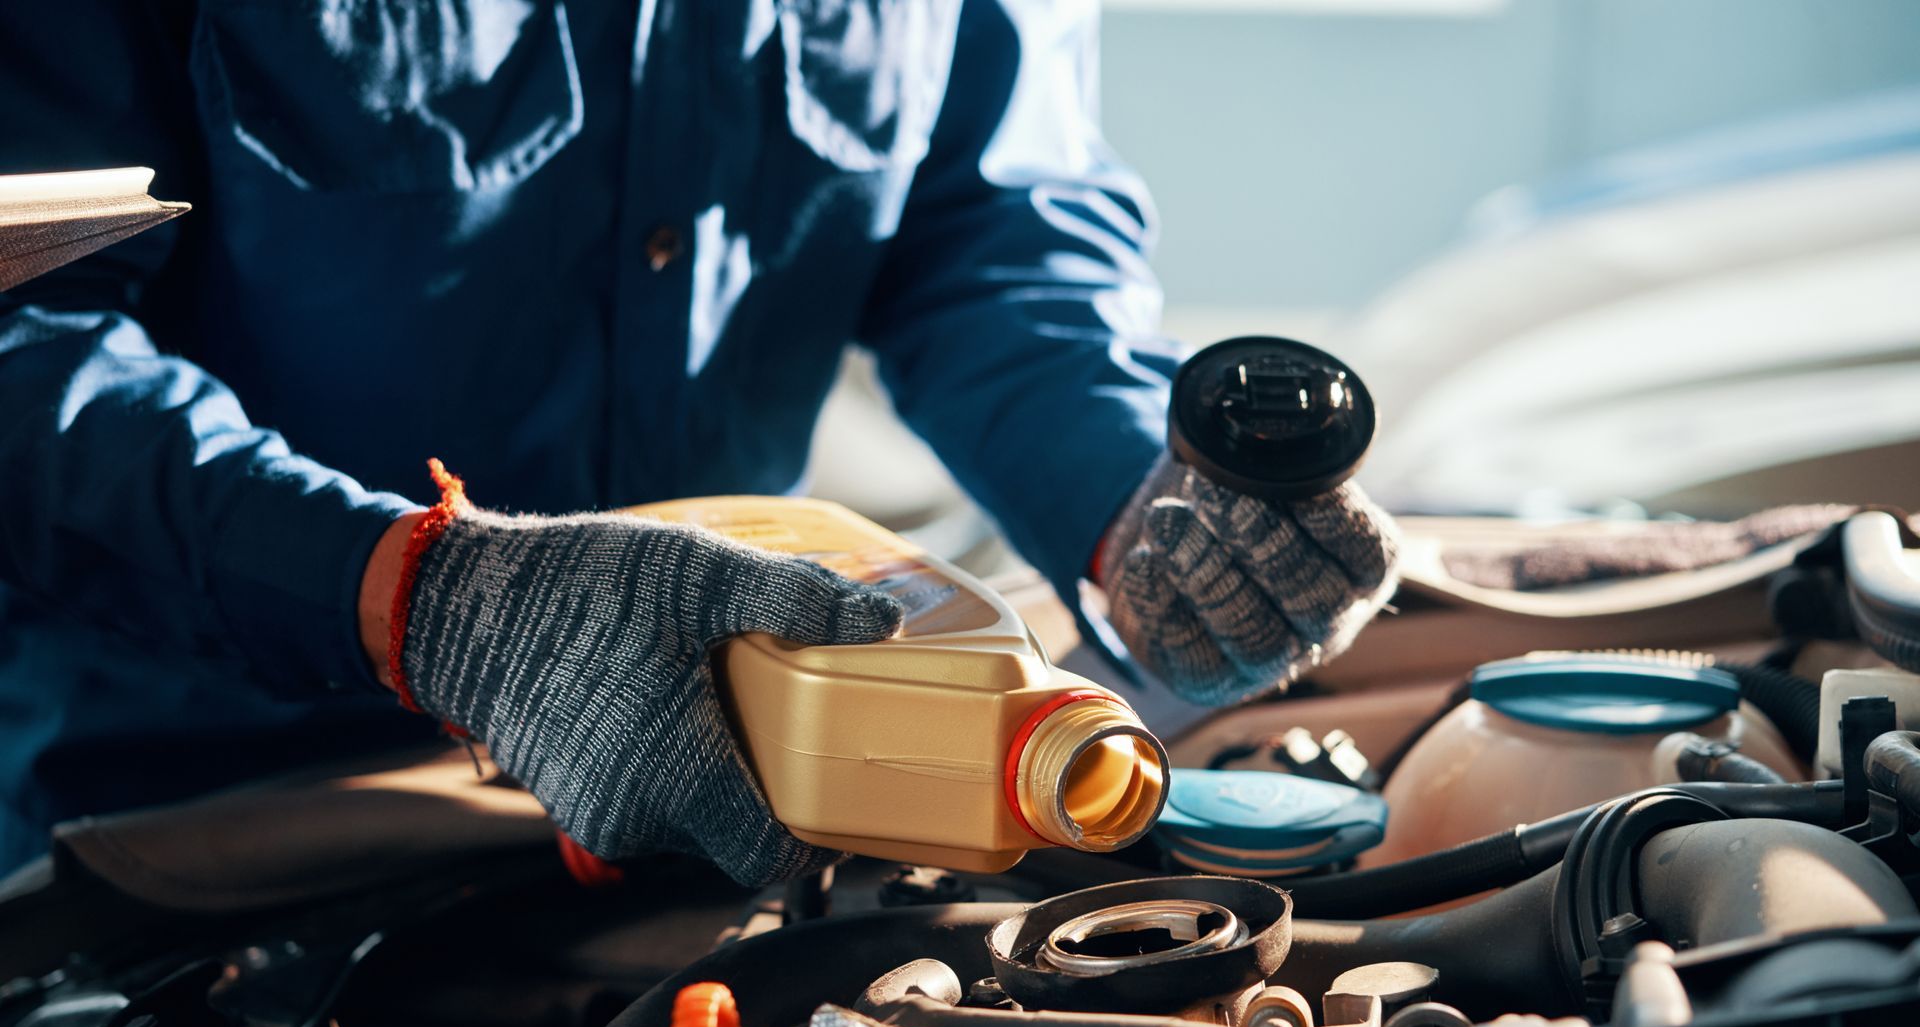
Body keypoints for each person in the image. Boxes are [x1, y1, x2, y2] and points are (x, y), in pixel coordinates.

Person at [0, 1, 1398, 884]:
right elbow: (26, 337)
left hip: (724, 790)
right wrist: (424, 599)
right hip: (201, 839)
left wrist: (1130, 506)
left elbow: (988, 229)